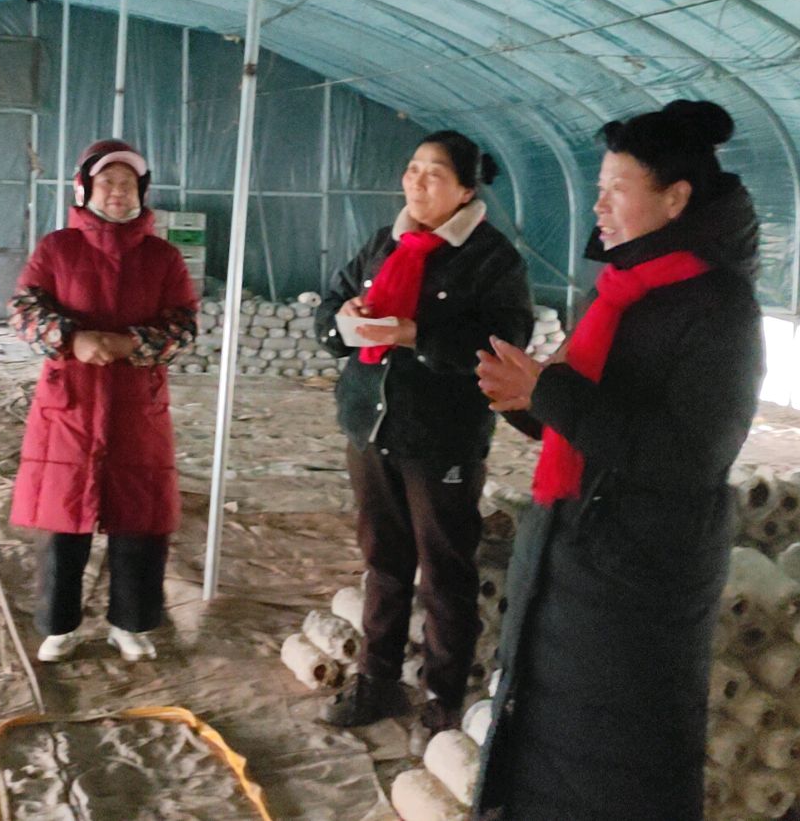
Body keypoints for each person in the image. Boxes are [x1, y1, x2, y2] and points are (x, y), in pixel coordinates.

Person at [471, 100, 764, 820]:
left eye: (616, 189)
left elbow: (689, 455)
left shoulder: (717, 306)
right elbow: (595, 420)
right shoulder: (627, 287)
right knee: (545, 749)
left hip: (639, 577)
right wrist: (527, 400)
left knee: (618, 767)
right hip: (574, 550)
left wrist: (551, 393)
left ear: (675, 198)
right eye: (597, 188)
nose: (598, 206)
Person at [315, 131, 533, 745]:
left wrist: (416, 335)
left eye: (434, 173)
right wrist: (344, 320)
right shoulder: (385, 243)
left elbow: (506, 342)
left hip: (441, 437)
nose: (416, 181)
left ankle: (443, 697)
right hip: (371, 424)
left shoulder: (491, 259)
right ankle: (377, 679)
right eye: (412, 168)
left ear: (465, 190)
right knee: (383, 560)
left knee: (444, 569)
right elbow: (332, 301)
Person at [9, 139, 198, 663]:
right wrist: (72, 339)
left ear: (142, 191)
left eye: (128, 183)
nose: (118, 192)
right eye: (107, 182)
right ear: (85, 188)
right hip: (70, 402)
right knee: (62, 518)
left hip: (137, 404)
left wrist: (132, 344)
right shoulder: (57, 248)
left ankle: (129, 624)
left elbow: (184, 324)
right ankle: (58, 626)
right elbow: (24, 310)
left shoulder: (163, 257)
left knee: (139, 517)